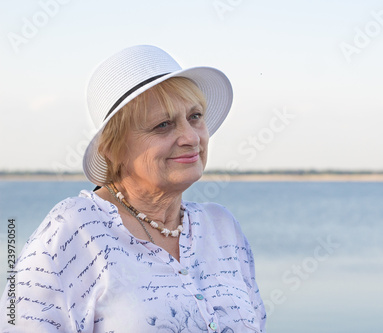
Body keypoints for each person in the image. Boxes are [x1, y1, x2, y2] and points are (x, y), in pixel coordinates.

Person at [1, 45, 266, 332]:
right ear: (114, 149)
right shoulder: (74, 229)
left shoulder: (222, 227)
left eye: (195, 116)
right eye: (163, 125)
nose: (191, 137)